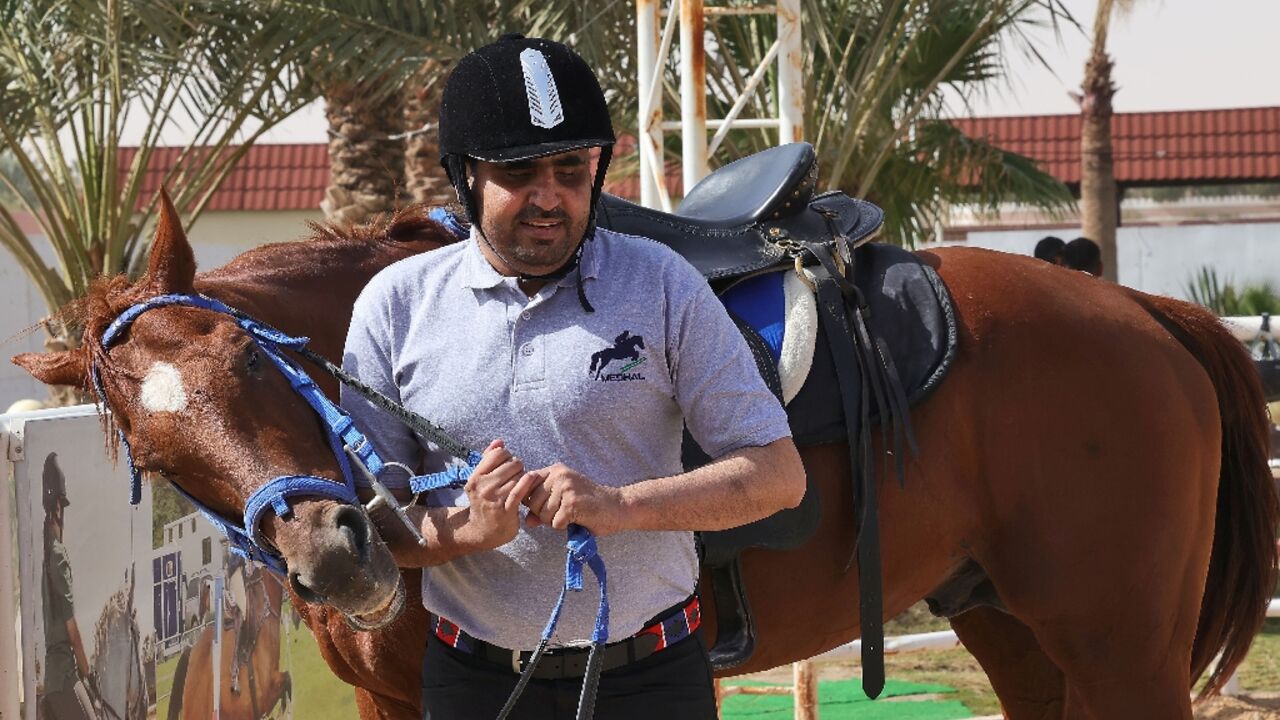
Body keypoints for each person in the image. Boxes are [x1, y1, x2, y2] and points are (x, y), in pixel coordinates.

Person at [341, 34, 806, 720]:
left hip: (653, 679)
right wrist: (468, 530)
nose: (549, 197)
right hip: (474, 687)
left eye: (570, 168)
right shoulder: (394, 305)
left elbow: (778, 475)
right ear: (465, 175)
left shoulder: (663, 283)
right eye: (519, 172)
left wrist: (622, 506)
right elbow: (370, 525)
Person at [39, 453, 94, 720]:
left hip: (53, 681)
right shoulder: (58, 555)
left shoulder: (46, 555)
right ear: (58, 508)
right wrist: (88, 673)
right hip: (64, 676)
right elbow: (73, 633)